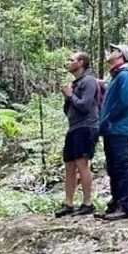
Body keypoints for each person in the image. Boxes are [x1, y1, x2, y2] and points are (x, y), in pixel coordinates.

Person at [97, 43, 128, 221]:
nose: (110, 53)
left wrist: (107, 120)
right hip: (112, 129)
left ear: (122, 56)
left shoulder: (126, 76)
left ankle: (126, 205)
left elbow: (124, 102)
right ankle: (116, 202)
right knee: (113, 167)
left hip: (120, 128)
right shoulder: (116, 77)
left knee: (122, 166)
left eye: (114, 51)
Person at [55, 52, 98, 217]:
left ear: (81, 63)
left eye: (71, 59)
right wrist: (68, 96)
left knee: (82, 164)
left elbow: (85, 106)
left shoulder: (88, 81)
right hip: (73, 128)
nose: (68, 62)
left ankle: (87, 203)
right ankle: (69, 203)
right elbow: (69, 110)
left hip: (86, 127)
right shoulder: (76, 83)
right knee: (69, 165)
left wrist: (70, 95)